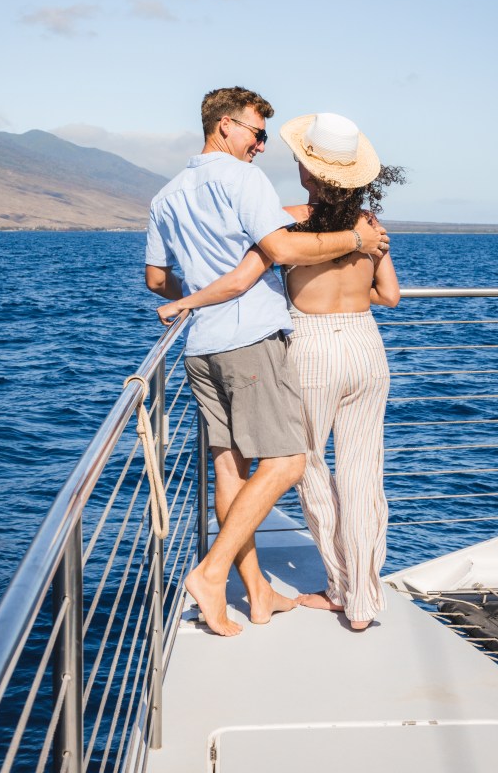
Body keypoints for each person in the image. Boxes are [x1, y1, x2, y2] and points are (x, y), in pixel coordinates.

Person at [145, 89, 390, 636]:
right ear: (225, 126)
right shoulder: (244, 182)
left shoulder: (166, 196)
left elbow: (157, 280)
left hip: (201, 344)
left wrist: (197, 291)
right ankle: (213, 575)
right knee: (289, 464)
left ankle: (257, 592)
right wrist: (355, 237)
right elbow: (279, 251)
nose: (260, 146)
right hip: (253, 339)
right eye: (256, 134)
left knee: (229, 466)